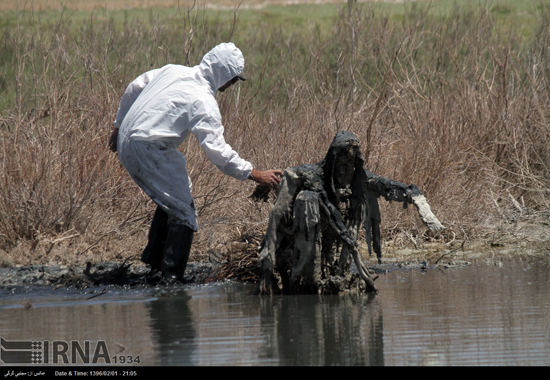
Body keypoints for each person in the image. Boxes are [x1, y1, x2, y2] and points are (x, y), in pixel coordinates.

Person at [108, 42, 282, 284]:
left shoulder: (174, 70)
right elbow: (218, 152)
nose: (231, 85)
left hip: (128, 136)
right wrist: (254, 173)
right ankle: (171, 280)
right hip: (148, 148)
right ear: (224, 76)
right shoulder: (203, 102)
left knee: (175, 197)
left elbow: (134, 86)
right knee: (184, 213)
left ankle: (155, 262)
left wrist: (118, 127)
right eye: (232, 79)